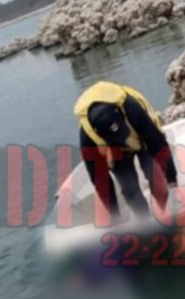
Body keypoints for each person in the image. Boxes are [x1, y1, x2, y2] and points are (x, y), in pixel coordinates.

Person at [74, 81, 177, 219]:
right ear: (98, 132)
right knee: (130, 189)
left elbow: (157, 143)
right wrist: (114, 215)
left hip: (141, 138)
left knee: (156, 177)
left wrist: (172, 179)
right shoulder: (87, 137)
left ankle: (166, 211)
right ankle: (146, 224)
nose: (121, 138)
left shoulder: (131, 107)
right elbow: (100, 180)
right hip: (115, 151)